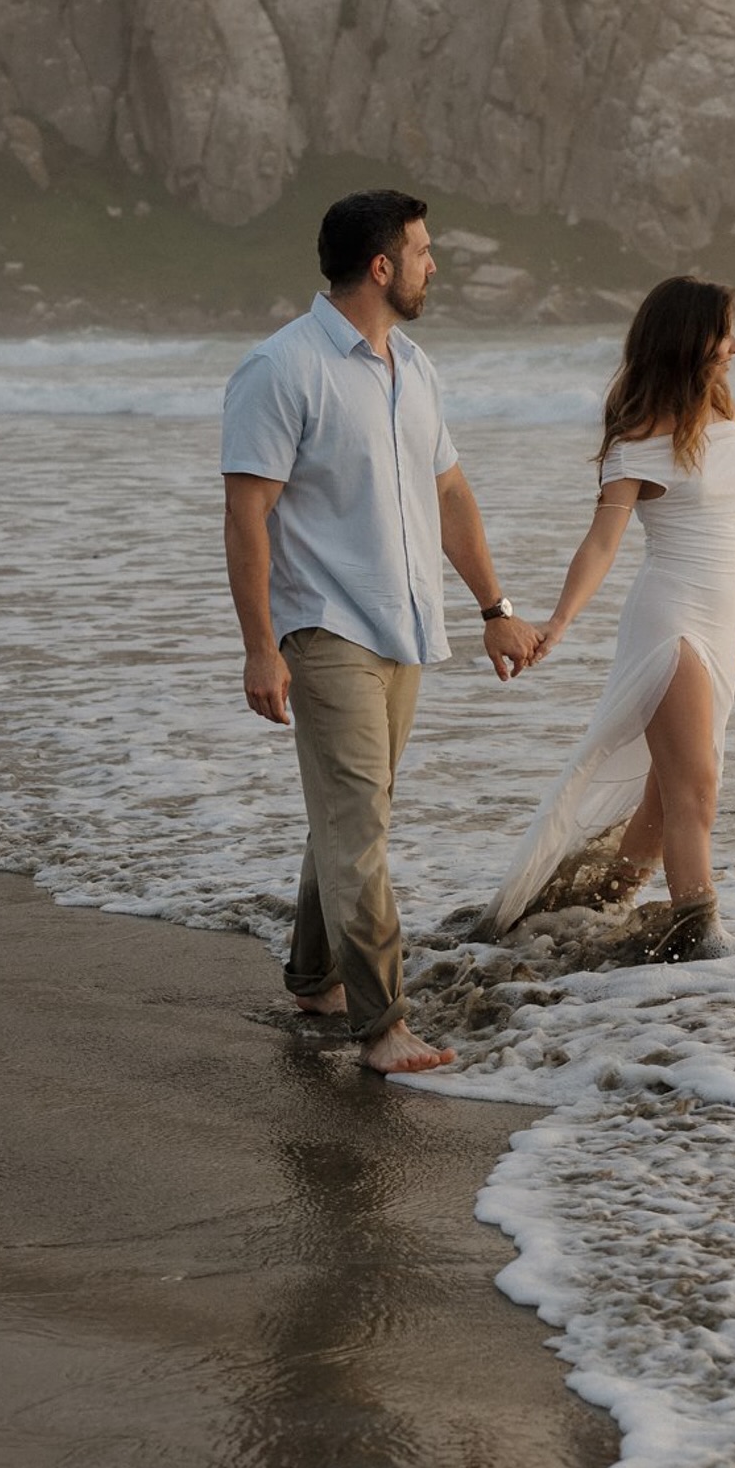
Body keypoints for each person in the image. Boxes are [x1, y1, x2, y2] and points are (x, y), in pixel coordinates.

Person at [222, 189, 542, 1073]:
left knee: (354, 812)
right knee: (361, 821)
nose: (433, 264)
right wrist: (260, 646)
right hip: (324, 628)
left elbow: (448, 494)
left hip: (405, 628)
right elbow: (247, 516)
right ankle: (382, 1025)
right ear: (380, 266)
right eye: (424, 251)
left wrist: (494, 609)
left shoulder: (415, 368)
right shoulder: (281, 369)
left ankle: (314, 973)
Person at [473, 276, 735, 961]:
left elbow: (728, 532)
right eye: (725, 334)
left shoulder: (723, 417)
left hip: (724, 621)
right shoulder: (637, 441)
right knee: (699, 791)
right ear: (689, 341)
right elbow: (603, 543)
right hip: (673, 621)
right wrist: (560, 621)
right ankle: (699, 942)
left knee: (665, 804)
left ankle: (585, 915)